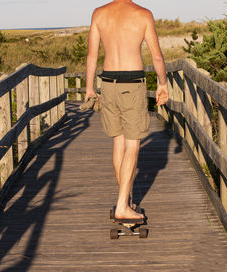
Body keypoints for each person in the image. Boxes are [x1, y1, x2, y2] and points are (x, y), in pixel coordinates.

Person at [85, 0, 169, 220]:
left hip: (108, 83)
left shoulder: (99, 13)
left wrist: (89, 88)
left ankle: (126, 198)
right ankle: (122, 205)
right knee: (133, 144)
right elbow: (157, 56)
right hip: (132, 84)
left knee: (118, 142)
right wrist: (162, 83)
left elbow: (92, 55)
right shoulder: (143, 14)